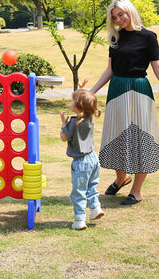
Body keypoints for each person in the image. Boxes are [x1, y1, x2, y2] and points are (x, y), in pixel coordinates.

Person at [90, 0, 159, 205]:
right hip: (117, 89)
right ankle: (121, 178)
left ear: (129, 11)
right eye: (114, 17)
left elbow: (158, 69)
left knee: (142, 139)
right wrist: (92, 91)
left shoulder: (149, 37)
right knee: (115, 137)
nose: (118, 20)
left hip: (139, 90)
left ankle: (137, 191)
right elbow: (110, 69)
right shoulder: (115, 38)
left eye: (121, 14)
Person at [60, 89, 104, 230]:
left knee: (78, 191)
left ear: (77, 106)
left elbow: (63, 137)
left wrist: (63, 124)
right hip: (93, 158)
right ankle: (96, 207)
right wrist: (82, 87)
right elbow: (88, 102)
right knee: (91, 186)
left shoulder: (73, 123)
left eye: (73, 101)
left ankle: (79, 220)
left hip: (81, 162)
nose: (70, 102)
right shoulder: (90, 117)